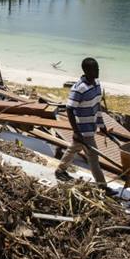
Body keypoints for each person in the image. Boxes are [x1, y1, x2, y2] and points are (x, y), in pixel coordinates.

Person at [55, 57, 113, 194]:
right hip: (82, 128)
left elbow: (97, 105)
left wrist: (101, 125)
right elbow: (69, 109)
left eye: (98, 68)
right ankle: (102, 186)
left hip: (91, 126)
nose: (98, 71)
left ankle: (60, 170)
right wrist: (76, 131)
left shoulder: (97, 84)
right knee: (93, 157)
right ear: (87, 70)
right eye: (95, 69)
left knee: (73, 148)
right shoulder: (79, 88)